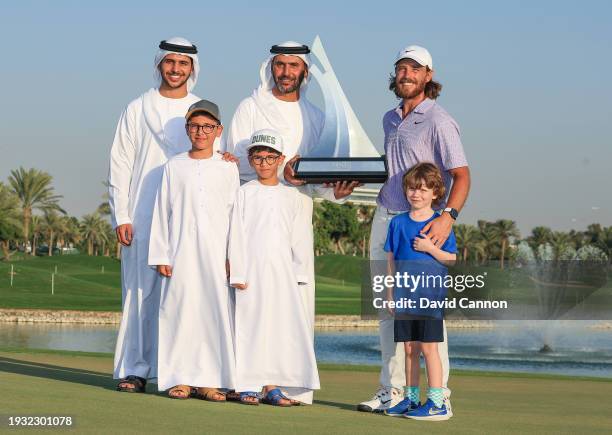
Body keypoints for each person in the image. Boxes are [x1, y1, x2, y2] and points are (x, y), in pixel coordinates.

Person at [224, 41, 358, 404]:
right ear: (272, 67)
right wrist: (278, 170)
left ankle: (285, 384)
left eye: (292, 66)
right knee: (251, 303)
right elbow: (233, 163)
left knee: (292, 305)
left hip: (296, 219)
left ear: (305, 72)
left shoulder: (316, 116)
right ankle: (245, 380)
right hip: (253, 221)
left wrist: (336, 192)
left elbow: (319, 177)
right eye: (280, 65)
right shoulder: (250, 108)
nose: (285, 72)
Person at [358, 45, 470, 413]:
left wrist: (447, 215)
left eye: (414, 69)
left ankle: (440, 397)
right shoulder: (390, 118)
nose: (406, 74)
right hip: (386, 218)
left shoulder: (439, 119)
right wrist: (349, 181)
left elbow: (462, 175)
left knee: (426, 312)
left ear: (428, 76)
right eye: (401, 68)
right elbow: (391, 167)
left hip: (420, 227)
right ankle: (394, 391)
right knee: (388, 307)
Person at [108, 37, 202, 393]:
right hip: (142, 214)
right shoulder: (136, 107)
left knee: (184, 294)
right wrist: (122, 215)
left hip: (188, 218)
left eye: (183, 63)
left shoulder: (200, 110)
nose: (176, 69)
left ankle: (179, 371)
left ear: (193, 68)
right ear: (160, 64)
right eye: (170, 62)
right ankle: (135, 369)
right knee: (139, 294)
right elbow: (120, 163)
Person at [148, 100, 244, 400]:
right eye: (194, 126)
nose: (200, 132)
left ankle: (210, 381)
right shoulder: (174, 166)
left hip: (217, 254)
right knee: (180, 313)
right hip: (180, 251)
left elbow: (235, 216)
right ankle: (180, 378)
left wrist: (233, 257)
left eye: (207, 127)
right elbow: (162, 210)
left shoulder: (228, 167)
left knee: (213, 314)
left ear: (218, 130)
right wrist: (161, 254)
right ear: (187, 129)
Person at [231, 129, 320, 406]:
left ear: (281, 159)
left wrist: (299, 273)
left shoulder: (291, 196)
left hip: (282, 275)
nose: (265, 163)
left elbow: (299, 238)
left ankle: (272, 386)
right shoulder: (244, 193)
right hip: (251, 273)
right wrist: (238, 272)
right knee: (250, 327)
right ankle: (247, 384)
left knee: (276, 330)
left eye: (270, 157)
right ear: (250, 159)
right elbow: (236, 234)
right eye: (259, 157)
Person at [383, 163, 456, 421]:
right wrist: (390, 293)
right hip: (404, 296)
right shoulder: (397, 223)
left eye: (424, 189)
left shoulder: (440, 224)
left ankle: (436, 402)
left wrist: (430, 248)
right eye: (413, 188)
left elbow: (451, 259)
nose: (417, 194)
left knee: (428, 349)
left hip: (429, 296)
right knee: (410, 349)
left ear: (435, 192)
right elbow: (391, 260)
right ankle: (411, 400)